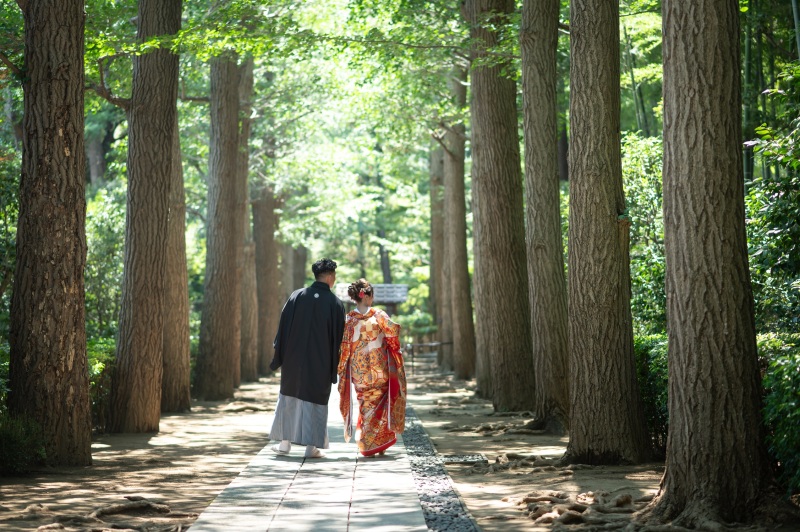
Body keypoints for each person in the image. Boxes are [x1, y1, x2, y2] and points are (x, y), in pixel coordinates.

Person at [269, 258, 345, 458]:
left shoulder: (297, 296)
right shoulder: (335, 303)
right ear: (330, 277)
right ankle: (312, 447)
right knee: (315, 401)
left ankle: (285, 444)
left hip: (294, 359)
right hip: (320, 361)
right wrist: (336, 364)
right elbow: (339, 338)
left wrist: (280, 354)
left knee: (289, 398)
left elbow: (282, 327)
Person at [337, 279, 407, 456]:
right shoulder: (379, 316)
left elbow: (344, 347)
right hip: (379, 368)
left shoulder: (349, 320)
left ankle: (368, 443)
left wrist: (343, 367)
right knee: (381, 407)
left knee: (365, 405)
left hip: (359, 371)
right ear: (367, 296)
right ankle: (376, 444)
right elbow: (393, 335)